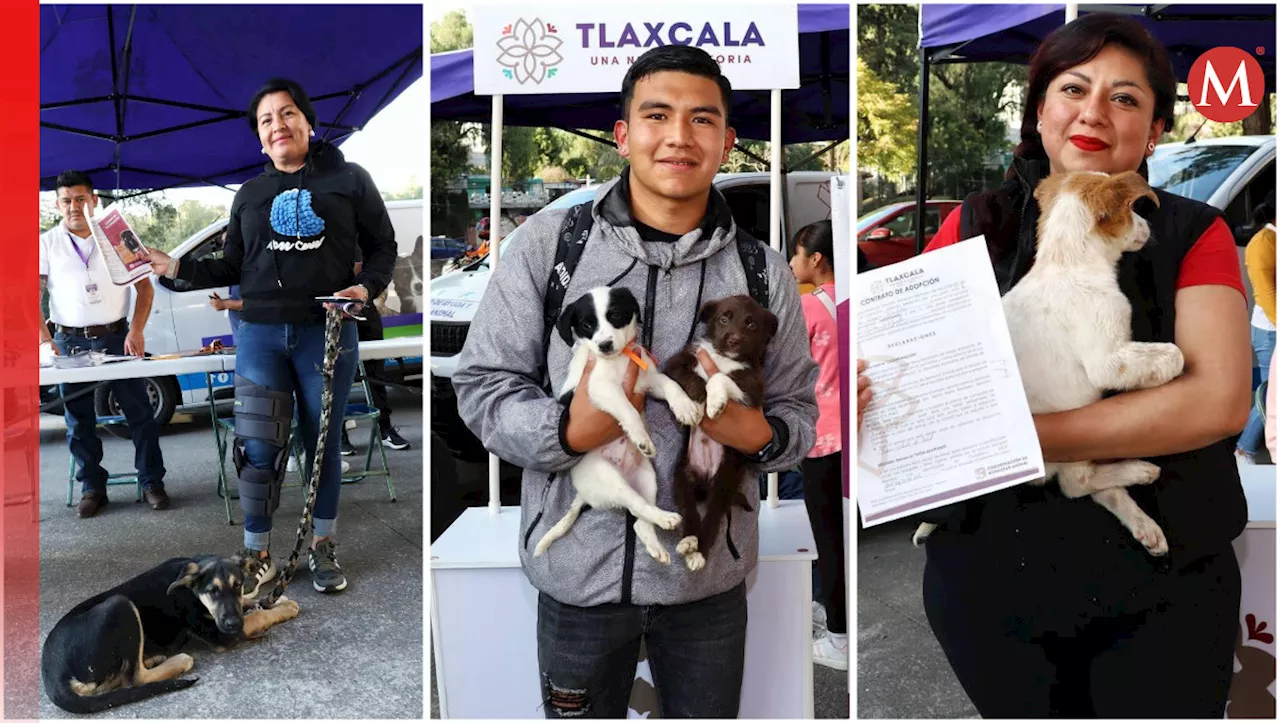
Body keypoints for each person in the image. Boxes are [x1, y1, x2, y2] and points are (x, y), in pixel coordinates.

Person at [453, 45, 819, 718]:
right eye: (657, 115)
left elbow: (800, 408)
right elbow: (482, 386)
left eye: (703, 119)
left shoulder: (763, 272)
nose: (680, 135)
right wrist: (565, 430)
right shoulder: (547, 247)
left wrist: (760, 435)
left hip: (706, 582)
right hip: (579, 589)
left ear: (728, 141)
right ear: (623, 135)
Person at [913, 14, 1250, 717]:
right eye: (1074, 88)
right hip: (992, 584)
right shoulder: (975, 223)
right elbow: (916, 374)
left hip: (1167, 592)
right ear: (1041, 113)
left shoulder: (1194, 230)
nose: (1095, 111)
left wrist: (1013, 437)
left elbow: (1217, 401)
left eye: (1126, 97)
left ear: (1156, 131)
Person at [144, 78, 397, 596]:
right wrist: (176, 267)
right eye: (266, 121)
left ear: (308, 121)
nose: (278, 126)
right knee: (258, 447)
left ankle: (321, 544)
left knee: (321, 444)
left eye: (286, 114)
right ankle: (257, 552)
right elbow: (233, 263)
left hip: (326, 332)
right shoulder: (251, 194)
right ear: (260, 140)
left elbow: (383, 246)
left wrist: (367, 289)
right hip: (259, 334)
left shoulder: (349, 179)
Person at [39, 171, 170, 517]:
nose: (74, 206)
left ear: (94, 200)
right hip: (70, 341)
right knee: (79, 420)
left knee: (139, 413)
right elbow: (28, 295)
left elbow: (145, 288)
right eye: (66, 200)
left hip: (117, 336)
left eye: (81, 198)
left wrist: (136, 330)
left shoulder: (117, 237)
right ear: (57, 204)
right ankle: (92, 487)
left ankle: (152, 482)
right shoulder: (46, 243)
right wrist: (46, 340)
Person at [788, 220, 847, 671]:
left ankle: (839, 638)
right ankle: (834, 610)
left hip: (821, 438)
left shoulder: (807, 308)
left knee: (827, 539)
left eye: (796, 255)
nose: (792, 263)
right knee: (841, 537)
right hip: (855, 430)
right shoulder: (852, 300)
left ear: (816, 260)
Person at [340, 253, 410, 455]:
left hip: (365, 307)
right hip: (334, 307)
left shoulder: (361, 230)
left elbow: (376, 265)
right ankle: (339, 434)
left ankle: (385, 428)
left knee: (376, 374)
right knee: (336, 376)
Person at [1237, 192, 1275, 462]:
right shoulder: (1262, 243)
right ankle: (1245, 448)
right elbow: (1266, 294)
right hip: (1270, 331)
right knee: (1269, 392)